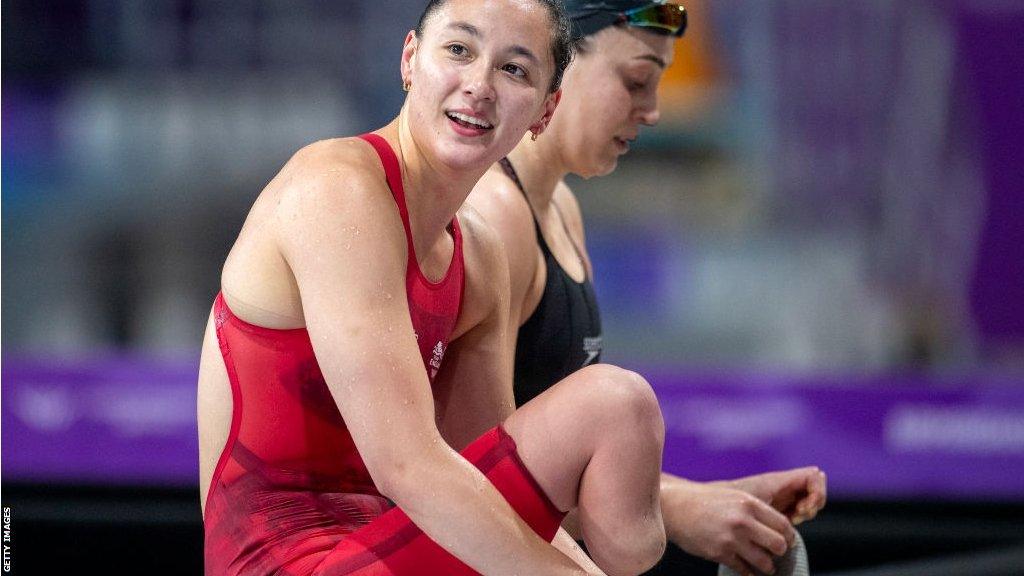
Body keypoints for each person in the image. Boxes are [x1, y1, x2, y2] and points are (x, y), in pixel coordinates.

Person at [197, 1, 668, 574]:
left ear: (546, 112)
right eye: (459, 50)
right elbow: (407, 466)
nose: (479, 86)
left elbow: (491, 494)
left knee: (621, 420)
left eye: (514, 69)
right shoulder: (336, 190)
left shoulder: (481, 254)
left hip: (385, 550)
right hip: (285, 563)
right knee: (615, 404)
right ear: (410, 59)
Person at [466, 2, 827, 575]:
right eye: (636, 81)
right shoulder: (493, 215)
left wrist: (697, 500)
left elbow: (544, 466)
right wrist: (679, 509)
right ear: (555, 64)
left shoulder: (559, 207)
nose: (655, 111)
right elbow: (473, 485)